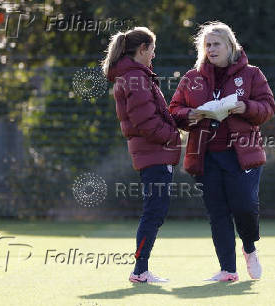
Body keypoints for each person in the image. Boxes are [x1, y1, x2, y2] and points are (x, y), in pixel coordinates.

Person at [169, 22, 275, 281]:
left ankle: (249, 248)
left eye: (217, 44)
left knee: (245, 206)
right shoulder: (191, 78)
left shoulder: (252, 74)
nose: (212, 49)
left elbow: (268, 107)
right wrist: (190, 115)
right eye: (207, 45)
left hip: (242, 155)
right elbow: (174, 110)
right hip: (205, 157)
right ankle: (228, 269)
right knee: (217, 213)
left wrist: (245, 107)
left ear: (231, 46)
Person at [102, 27, 181, 283]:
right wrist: (172, 135)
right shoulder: (135, 77)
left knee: (155, 211)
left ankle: (141, 269)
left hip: (152, 154)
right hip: (154, 154)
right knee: (154, 212)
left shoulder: (134, 76)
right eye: (152, 50)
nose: (154, 56)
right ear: (142, 49)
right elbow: (145, 121)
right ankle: (140, 270)